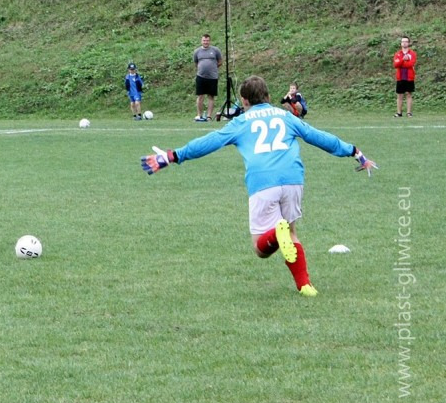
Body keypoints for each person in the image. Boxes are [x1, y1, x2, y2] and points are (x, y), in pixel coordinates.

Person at [140, 75, 378, 297]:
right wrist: (354, 152)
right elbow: (319, 137)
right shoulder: (286, 117)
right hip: (293, 179)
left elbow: (211, 141)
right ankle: (305, 285)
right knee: (291, 232)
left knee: (260, 248)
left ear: (244, 100)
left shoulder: (241, 121)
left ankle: (276, 234)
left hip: (263, 181)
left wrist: (173, 155)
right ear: (268, 96)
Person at [193, 34, 223, 122]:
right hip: (200, 76)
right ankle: (199, 115)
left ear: (209, 41)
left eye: (207, 40)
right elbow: (196, 63)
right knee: (200, 96)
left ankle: (209, 116)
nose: (205, 42)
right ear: (201, 41)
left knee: (211, 96)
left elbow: (220, 61)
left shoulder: (215, 50)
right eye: (204, 40)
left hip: (212, 77)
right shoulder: (197, 51)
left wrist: (212, 68)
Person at [393, 36, 416, 117]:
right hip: (400, 77)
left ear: (409, 43)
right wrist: (403, 59)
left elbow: (411, 64)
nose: (404, 43)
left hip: (409, 77)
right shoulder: (397, 54)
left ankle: (409, 113)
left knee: (409, 94)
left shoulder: (412, 53)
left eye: (406, 41)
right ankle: (399, 113)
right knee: (399, 95)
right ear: (401, 43)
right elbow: (396, 65)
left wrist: (402, 63)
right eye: (403, 41)